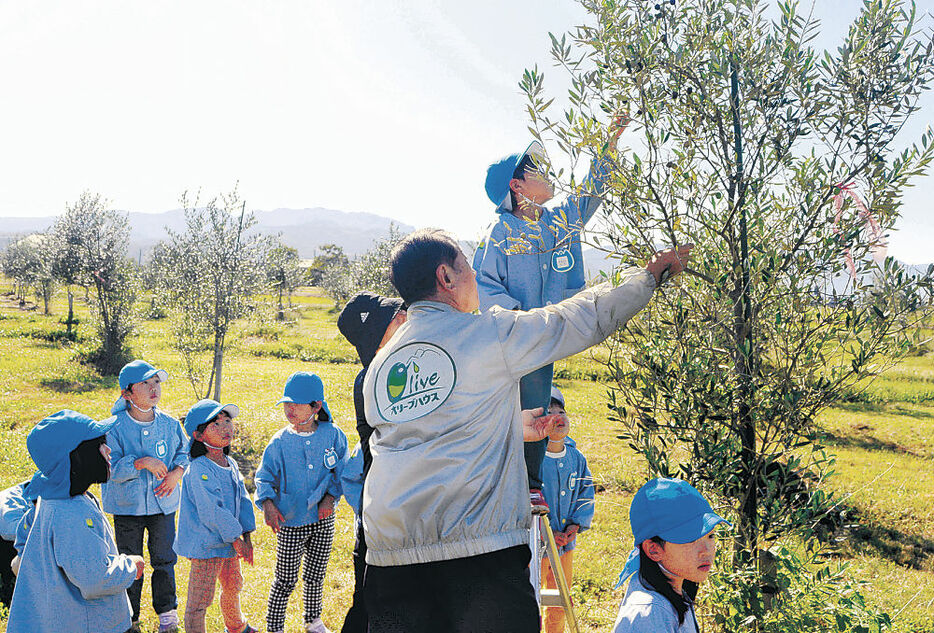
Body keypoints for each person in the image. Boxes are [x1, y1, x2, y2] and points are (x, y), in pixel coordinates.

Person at [361, 228, 690, 633]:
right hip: (478, 557)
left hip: (389, 561)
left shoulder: (381, 365)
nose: (475, 279)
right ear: (446, 277)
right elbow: (574, 320)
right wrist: (647, 278)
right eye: (467, 267)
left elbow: (431, 427)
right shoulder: (486, 333)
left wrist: (509, 425)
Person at [473, 117, 628, 514]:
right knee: (517, 409)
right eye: (537, 169)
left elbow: (592, 192)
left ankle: (532, 484)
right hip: (514, 340)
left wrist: (610, 140)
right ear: (516, 185)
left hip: (549, 338)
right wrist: (520, 321)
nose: (549, 173)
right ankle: (511, 484)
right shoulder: (499, 233)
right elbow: (484, 287)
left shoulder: (559, 221)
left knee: (539, 407)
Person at [7, 410, 145, 633]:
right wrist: (131, 565)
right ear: (77, 456)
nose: (109, 450)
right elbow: (94, 580)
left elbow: (24, 537)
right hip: (90, 624)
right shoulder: (72, 512)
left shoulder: (47, 498)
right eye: (100, 444)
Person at [255, 371, 349, 633]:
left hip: (322, 521)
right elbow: (263, 478)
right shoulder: (279, 442)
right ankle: (274, 627)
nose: (289, 409)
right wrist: (269, 505)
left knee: (316, 575)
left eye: (296, 403)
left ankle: (312, 620)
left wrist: (330, 498)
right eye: (286, 403)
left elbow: (342, 472)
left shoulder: (333, 435)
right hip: (291, 521)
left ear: (316, 406)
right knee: (284, 579)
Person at [336, 290, 407, 633]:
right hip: (383, 509)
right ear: (378, 336)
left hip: (394, 506)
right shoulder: (373, 379)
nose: (405, 319)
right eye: (396, 318)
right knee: (371, 602)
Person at [102, 359, 188, 633]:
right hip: (128, 508)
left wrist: (177, 473)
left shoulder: (170, 424)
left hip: (164, 506)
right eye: (145, 384)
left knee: (165, 559)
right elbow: (110, 469)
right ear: (127, 394)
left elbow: (184, 453)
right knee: (130, 563)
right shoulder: (113, 427)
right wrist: (140, 462)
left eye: (156, 382)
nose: (154, 388)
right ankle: (129, 618)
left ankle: (167, 615)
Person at [174, 399, 257, 633]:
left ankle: (236, 625)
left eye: (227, 421)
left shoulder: (229, 463)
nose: (225, 428)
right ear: (199, 436)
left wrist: (247, 536)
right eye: (215, 424)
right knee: (200, 600)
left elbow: (243, 499)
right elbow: (212, 510)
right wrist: (237, 540)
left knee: (233, 585)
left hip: (230, 541)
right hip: (207, 545)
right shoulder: (199, 469)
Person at [612, 478, 730, 633]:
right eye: (690, 540)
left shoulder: (677, 589)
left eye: (711, 536)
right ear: (653, 550)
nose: (706, 550)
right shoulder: (649, 614)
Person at [540, 385, 595, 633]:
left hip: (565, 546)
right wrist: (545, 531)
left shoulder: (577, 458)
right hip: (536, 545)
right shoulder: (533, 459)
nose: (558, 416)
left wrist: (574, 525)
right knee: (534, 594)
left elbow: (586, 493)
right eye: (549, 412)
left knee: (561, 599)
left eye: (561, 410)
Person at [0, 479, 34, 609]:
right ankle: (9, 586)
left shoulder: (25, 493)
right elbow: (13, 533)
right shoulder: (12, 510)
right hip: (7, 540)